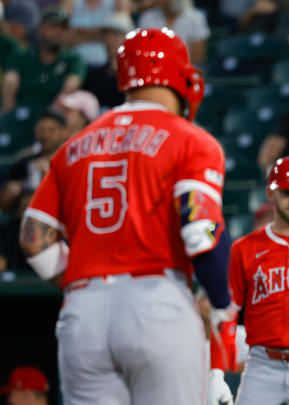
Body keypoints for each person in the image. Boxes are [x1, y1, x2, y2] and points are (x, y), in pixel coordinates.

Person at [18, 28, 235, 405]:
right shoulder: (191, 139)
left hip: (82, 313)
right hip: (158, 301)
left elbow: (34, 239)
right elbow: (200, 232)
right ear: (179, 76)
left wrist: (84, 281)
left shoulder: (73, 145)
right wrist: (222, 303)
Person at [217, 156, 289, 404]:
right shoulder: (244, 248)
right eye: (287, 192)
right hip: (262, 364)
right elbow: (228, 310)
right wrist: (219, 369)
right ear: (271, 193)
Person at [1, 8, 86, 115]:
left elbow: (73, 83)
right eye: (53, 27)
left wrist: (52, 112)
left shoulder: (73, 58)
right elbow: (10, 80)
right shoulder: (24, 54)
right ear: (40, 28)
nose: (59, 32)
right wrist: (10, 116)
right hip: (23, 111)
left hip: (54, 117)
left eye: (63, 28)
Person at [0, 111, 68, 212]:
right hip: (23, 219)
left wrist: (48, 176)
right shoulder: (25, 162)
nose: (45, 134)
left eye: (51, 130)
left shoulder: (69, 162)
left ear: (64, 132)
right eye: (41, 129)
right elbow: (5, 205)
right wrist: (11, 192)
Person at [137, 0, 210, 64]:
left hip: (185, 74)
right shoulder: (147, 18)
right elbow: (143, 52)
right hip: (154, 72)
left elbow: (198, 57)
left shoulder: (195, 18)